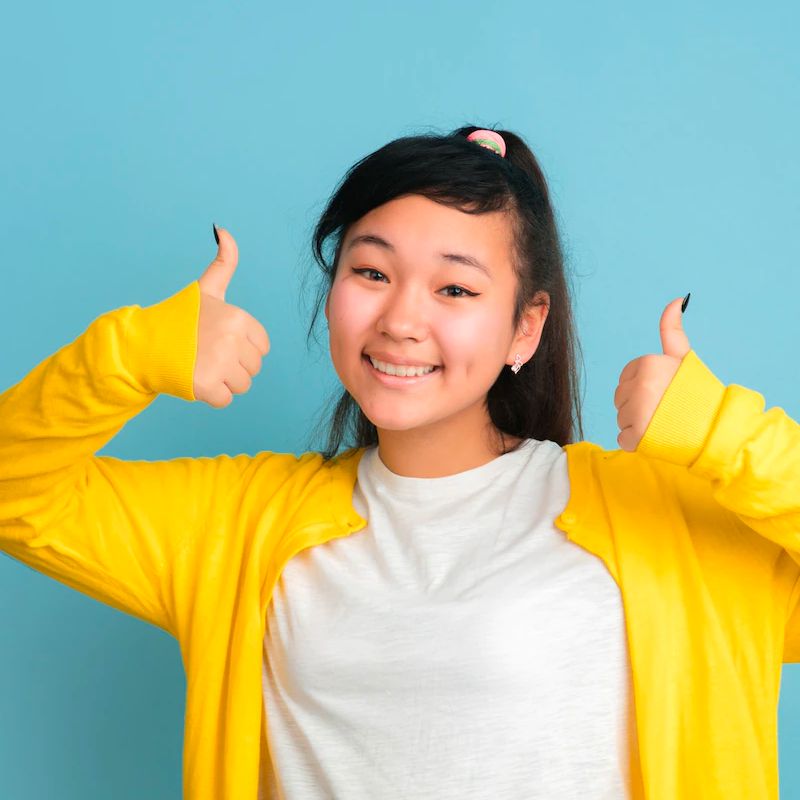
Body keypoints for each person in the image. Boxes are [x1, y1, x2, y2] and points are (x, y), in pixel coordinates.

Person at [0, 125, 797, 800]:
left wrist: (718, 427)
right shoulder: (240, 523)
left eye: (455, 290)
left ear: (527, 329)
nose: (402, 320)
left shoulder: (657, 519)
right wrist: (131, 357)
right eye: (371, 272)